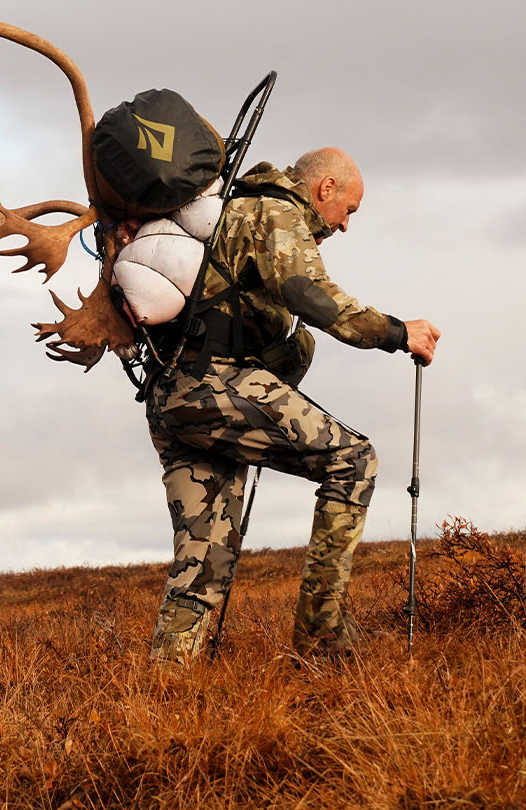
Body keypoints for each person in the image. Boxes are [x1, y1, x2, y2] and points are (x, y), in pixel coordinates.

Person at [143, 147, 441, 662]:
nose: (346, 226)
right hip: (215, 384)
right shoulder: (274, 212)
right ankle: (323, 645)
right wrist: (397, 333)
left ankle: (164, 689)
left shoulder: (238, 210)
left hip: (173, 397)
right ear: (325, 188)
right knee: (353, 459)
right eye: (349, 210)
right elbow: (310, 294)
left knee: (204, 556)